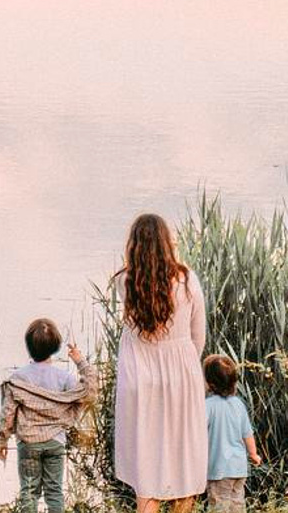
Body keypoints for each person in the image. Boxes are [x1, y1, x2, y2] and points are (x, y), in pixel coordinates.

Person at [113, 213, 207, 513]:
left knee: (147, 466)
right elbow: (198, 335)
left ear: (134, 245)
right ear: (168, 243)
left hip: (140, 377)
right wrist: (185, 364)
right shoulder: (187, 279)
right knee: (184, 457)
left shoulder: (124, 281)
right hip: (181, 373)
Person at [0, 317, 97, 513]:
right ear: (56, 346)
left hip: (29, 443)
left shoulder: (18, 379)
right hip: (55, 442)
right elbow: (90, 390)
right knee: (54, 491)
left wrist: (2, 440)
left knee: (29, 491)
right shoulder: (64, 378)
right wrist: (80, 361)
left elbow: (7, 413)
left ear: (28, 346)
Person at [202, 354, 260, 509]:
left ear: (210, 383)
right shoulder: (238, 404)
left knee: (219, 503)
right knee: (237, 503)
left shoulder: (208, 406)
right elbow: (247, 434)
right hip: (239, 467)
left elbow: (198, 433)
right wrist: (253, 454)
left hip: (220, 468)